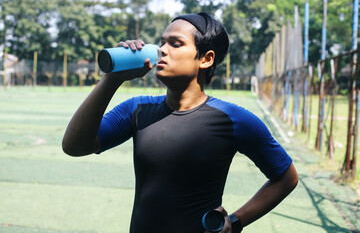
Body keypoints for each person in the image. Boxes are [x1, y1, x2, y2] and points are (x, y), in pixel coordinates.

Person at [62, 12, 298, 233]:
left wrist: (236, 221)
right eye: (162, 42)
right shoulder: (136, 110)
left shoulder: (233, 119)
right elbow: (75, 146)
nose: (162, 50)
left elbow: (286, 177)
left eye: (175, 44)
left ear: (206, 59)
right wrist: (112, 79)